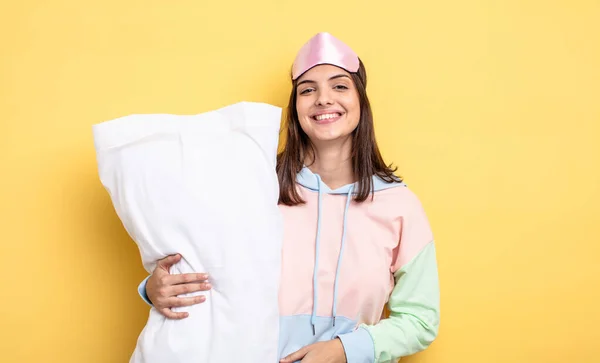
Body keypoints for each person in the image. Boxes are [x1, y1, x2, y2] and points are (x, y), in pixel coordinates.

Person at [137, 32, 440, 363]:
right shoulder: (255, 186)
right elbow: (206, 266)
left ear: (360, 101)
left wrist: (344, 349)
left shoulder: (399, 205)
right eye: (308, 89)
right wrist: (154, 290)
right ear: (296, 108)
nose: (323, 99)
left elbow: (420, 320)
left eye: (339, 86)